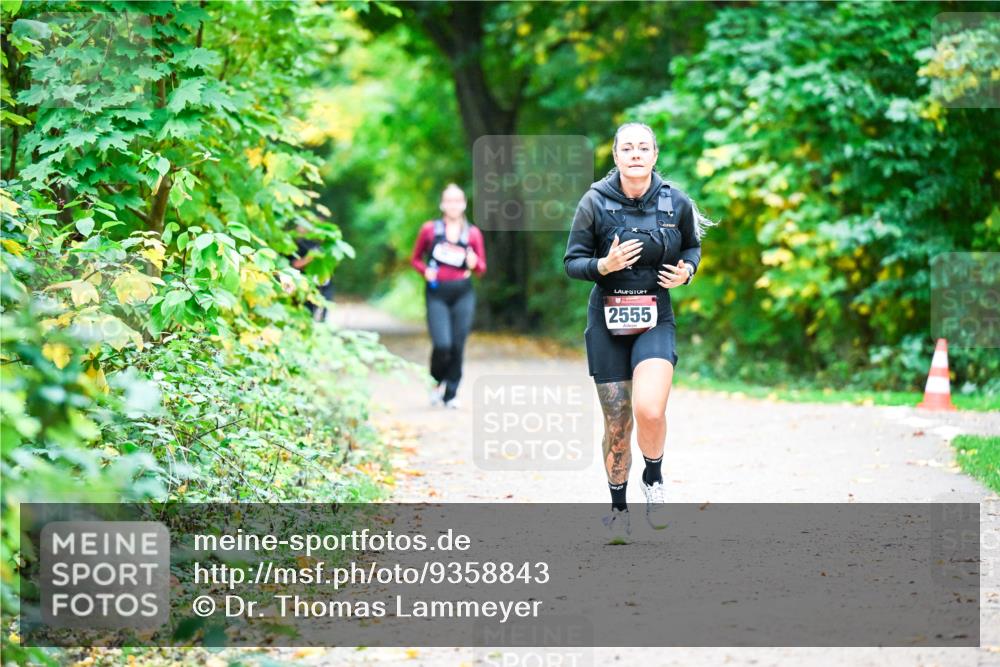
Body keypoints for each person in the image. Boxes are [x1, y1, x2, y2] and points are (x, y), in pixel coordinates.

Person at [564, 122, 710, 543]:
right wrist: (603, 266)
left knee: (650, 409)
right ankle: (618, 509)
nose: (635, 154)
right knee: (617, 424)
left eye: (643, 147)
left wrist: (687, 271)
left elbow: (692, 246)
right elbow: (572, 262)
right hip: (607, 320)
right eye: (626, 148)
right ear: (615, 156)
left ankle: (653, 477)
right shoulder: (594, 202)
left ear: (654, 155)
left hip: (654, 316)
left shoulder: (675, 201)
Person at [410, 183, 487, 409]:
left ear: (464, 204)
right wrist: (425, 271)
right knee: (442, 344)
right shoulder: (429, 230)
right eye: (449, 201)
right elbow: (415, 259)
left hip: (463, 293)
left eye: (457, 201)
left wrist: (474, 263)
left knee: (457, 345)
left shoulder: (472, 233)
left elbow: (482, 269)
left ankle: (451, 394)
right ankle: (435, 383)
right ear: (442, 204)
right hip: (437, 294)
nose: (453, 205)